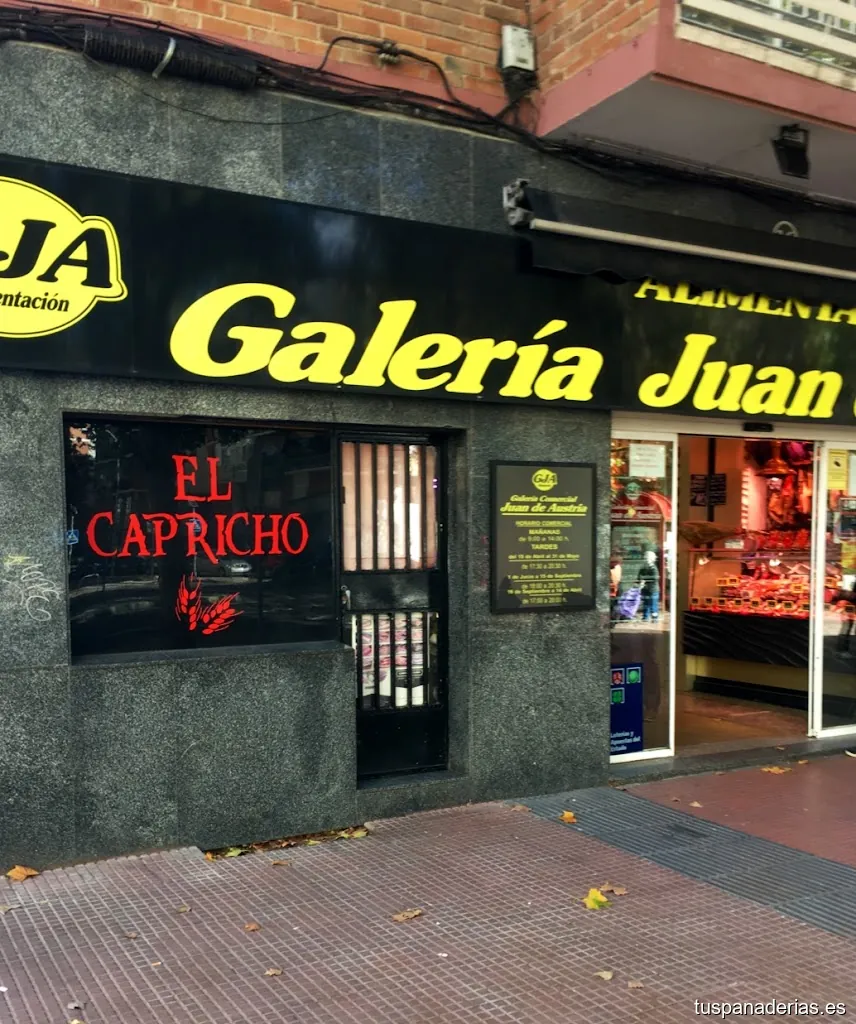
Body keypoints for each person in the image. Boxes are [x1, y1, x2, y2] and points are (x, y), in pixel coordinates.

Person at [637, 549, 660, 622]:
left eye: (647, 558)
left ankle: (654, 618)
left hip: (653, 590)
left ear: (651, 559)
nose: (646, 560)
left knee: (653, 605)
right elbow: (639, 576)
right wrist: (640, 581)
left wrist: (643, 579)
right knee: (645, 603)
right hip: (645, 589)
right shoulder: (643, 568)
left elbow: (655, 578)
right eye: (645, 558)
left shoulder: (653, 568)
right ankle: (645, 617)